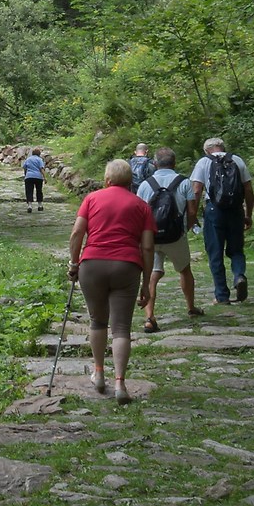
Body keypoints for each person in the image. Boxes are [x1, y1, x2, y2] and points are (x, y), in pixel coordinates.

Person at [68, 158, 154, 403]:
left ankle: (98, 373)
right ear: (130, 181)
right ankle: (120, 383)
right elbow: (147, 248)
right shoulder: (141, 205)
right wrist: (147, 281)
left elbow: (77, 233)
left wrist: (74, 263)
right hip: (127, 266)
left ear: (107, 179)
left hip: (92, 264)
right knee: (121, 328)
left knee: (97, 322)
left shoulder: (92, 199)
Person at [135, 146, 201, 330]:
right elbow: (192, 210)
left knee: (151, 276)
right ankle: (190, 307)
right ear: (174, 163)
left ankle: (149, 317)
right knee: (185, 270)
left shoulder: (145, 184)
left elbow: (139, 213)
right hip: (175, 237)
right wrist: (186, 228)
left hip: (151, 237)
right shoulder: (184, 182)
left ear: (155, 163)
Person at [190, 136, 254, 304]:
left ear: (207, 150)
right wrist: (248, 213)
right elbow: (248, 189)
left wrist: (192, 215)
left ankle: (222, 295)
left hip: (214, 210)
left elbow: (197, 190)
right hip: (235, 210)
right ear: (223, 147)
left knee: (215, 252)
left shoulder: (203, 162)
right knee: (236, 249)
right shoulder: (237, 160)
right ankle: (239, 275)